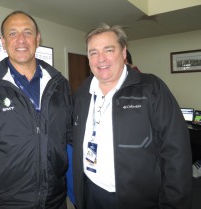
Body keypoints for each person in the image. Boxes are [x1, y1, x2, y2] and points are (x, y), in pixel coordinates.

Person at [0, 11, 73, 209]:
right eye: (12, 33)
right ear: (3, 41)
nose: (21, 40)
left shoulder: (60, 84)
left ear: (37, 39)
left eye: (28, 32)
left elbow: (71, 136)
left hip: (54, 200)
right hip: (4, 202)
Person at [72, 23, 192, 209]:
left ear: (123, 52)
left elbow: (176, 151)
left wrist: (173, 203)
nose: (100, 59)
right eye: (93, 52)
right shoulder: (82, 93)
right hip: (91, 192)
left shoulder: (151, 89)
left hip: (137, 199)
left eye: (108, 50)